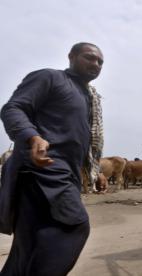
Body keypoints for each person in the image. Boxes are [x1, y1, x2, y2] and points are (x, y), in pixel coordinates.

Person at [0, 42, 104, 275]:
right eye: (89, 57)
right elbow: (13, 108)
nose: (96, 64)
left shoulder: (88, 97)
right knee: (74, 226)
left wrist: (96, 169)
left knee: (29, 245)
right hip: (44, 170)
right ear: (71, 56)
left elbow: (81, 140)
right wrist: (32, 137)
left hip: (61, 174)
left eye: (100, 62)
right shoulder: (50, 78)